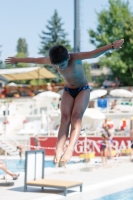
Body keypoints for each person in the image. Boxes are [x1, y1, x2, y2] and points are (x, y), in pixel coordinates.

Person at [5, 39, 124, 163]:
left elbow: (93, 53)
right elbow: (34, 60)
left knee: (76, 117)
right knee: (64, 118)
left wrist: (111, 46)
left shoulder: (76, 57)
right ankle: (59, 148)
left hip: (83, 89)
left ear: (68, 57)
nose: (59, 68)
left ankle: (70, 148)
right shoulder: (52, 61)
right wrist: (17, 60)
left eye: (61, 65)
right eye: (56, 66)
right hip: (68, 90)